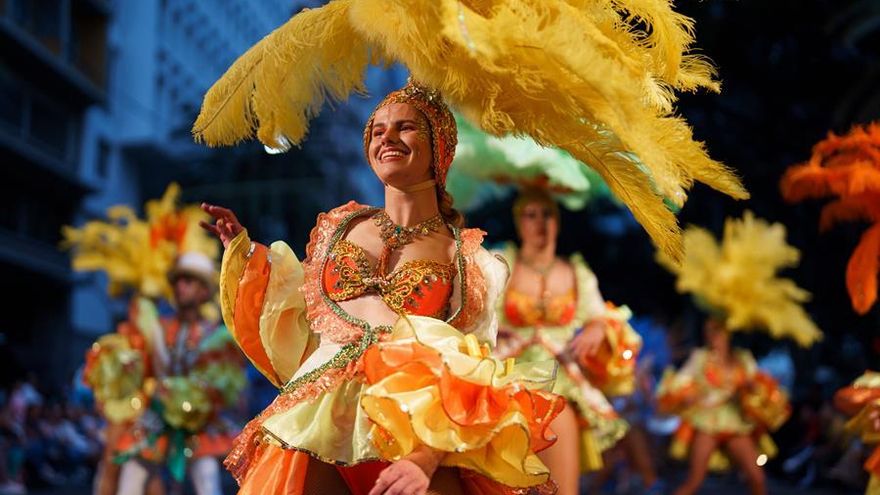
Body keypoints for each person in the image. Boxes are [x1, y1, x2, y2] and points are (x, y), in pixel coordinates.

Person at [200, 82, 563, 495]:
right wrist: (245, 257)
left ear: (439, 148)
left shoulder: (471, 260)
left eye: (405, 127)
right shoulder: (339, 229)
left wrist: (425, 459)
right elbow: (293, 316)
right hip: (319, 420)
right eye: (377, 131)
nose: (387, 138)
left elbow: (473, 373)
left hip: (416, 431)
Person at [65, 186, 245, 495]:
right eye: (178, 281)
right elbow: (139, 365)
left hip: (198, 422)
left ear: (204, 291)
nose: (181, 288)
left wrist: (197, 398)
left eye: (190, 282)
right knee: (131, 480)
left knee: (207, 481)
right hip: (154, 417)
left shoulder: (216, 335)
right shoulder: (157, 327)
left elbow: (227, 386)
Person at [655, 212, 822, 495]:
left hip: (736, 423)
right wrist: (687, 395)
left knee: (757, 479)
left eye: (718, 331)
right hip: (707, 422)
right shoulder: (699, 359)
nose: (714, 335)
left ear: (728, 332)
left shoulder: (744, 360)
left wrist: (753, 390)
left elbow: (763, 388)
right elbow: (679, 385)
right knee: (693, 481)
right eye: (710, 331)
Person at [492, 189, 634, 495]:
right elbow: (475, 313)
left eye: (547, 215)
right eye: (531, 215)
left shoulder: (576, 271)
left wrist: (597, 328)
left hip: (560, 383)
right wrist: (491, 328)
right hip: (505, 382)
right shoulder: (501, 264)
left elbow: (601, 315)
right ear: (519, 222)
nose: (540, 223)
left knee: (560, 485)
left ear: (557, 222)